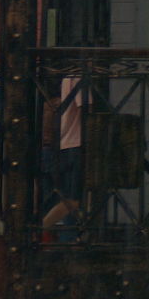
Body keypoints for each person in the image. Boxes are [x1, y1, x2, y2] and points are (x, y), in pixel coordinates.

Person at [37, 74, 84, 239]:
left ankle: (48, 235)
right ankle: (41, 232)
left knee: (53, 199)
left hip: (46, 152)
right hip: (59, 152)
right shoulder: (59, 106)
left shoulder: (44, 106)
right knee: (68, 201)